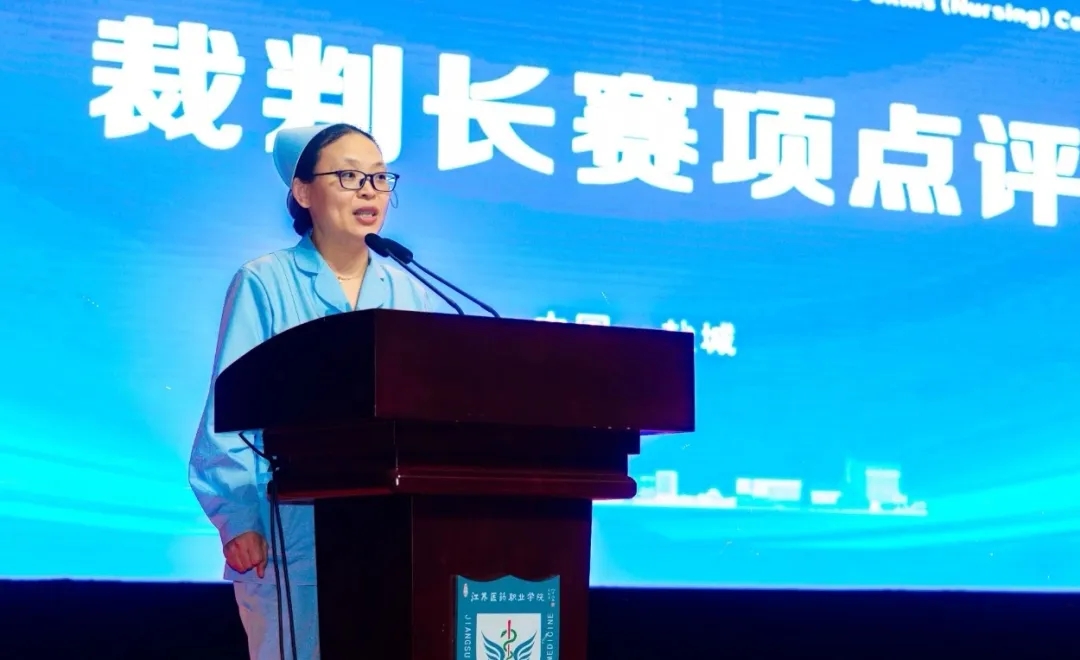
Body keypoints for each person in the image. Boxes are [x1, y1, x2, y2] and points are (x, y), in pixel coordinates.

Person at [188, 123, 432, 660]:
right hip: (286, 531)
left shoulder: (410, 290)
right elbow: (228, 411)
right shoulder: (265, 281)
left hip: (389, 534)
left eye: (379, 177)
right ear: (302, 192)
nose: (369, 191)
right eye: (349, 176)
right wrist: (238, 518)